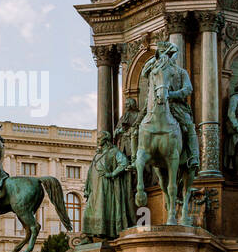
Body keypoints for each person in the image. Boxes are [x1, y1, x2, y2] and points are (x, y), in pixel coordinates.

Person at [140, 41, 199, 172]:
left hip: (176, 105)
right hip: (154, 105)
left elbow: (188, 89)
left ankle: (193, 156)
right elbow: (144, 72)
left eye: (167, 54)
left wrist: (172, 94)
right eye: (161, 54)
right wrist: (153, 60)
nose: (165, 58)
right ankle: (134, 158)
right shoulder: (154, 70)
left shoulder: (180, 72)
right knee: (135, 128)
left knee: (189, 125)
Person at [82, 132, 134, 239]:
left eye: (99, 138)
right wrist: (87, 187)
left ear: (105, 139)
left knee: (102, 207)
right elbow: (90, 172)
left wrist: (112, 174)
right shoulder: (97, 155)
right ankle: (89, 234)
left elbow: (124, 163)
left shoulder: (114, 152)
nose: (97, 140)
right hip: (94, 188)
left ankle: (103, 232)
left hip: (105, 186)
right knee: (89, 209)